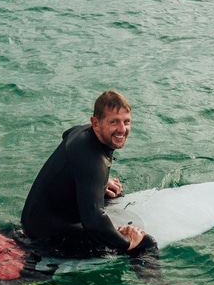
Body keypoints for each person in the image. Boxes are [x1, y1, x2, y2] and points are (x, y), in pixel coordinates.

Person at [22, 90, 156, 259]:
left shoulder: (80, 133)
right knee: (146, 243)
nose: (122, 129)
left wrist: (95, 181)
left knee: (114, 193)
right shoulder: (92, 161)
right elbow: (93, 222)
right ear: (95, 123)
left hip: (34, 223)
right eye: (114, 122)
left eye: (126, 121)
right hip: (48, 240)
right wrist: (128, 243)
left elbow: (66, 134)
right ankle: (151, 279)